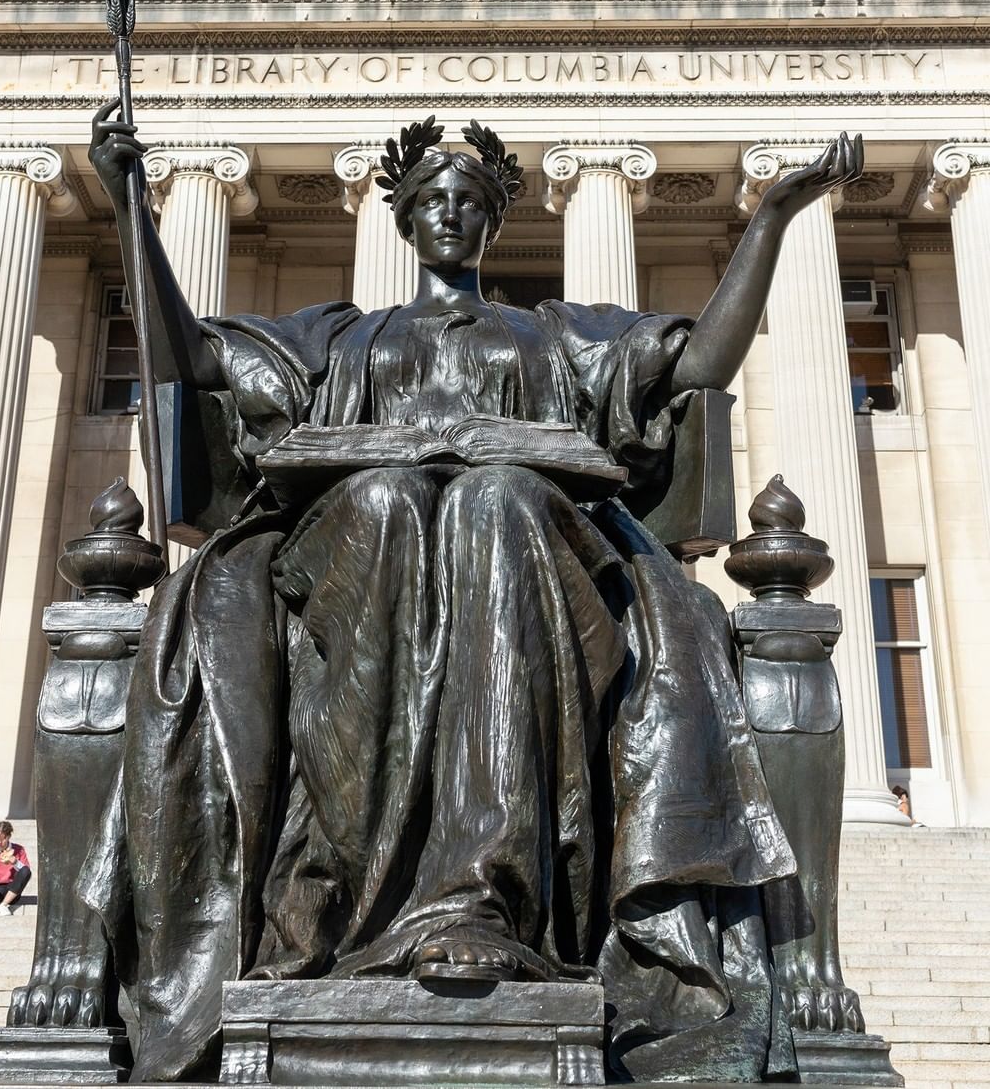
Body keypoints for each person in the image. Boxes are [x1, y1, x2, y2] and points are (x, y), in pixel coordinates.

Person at [80, 104, 862, 1082]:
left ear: (494, 225)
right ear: (405, 220)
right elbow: (194, 360)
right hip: (356, 548)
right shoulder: (337, 340)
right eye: (433, 200)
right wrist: (127, 208)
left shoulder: (553, 336)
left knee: (493, 501)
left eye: (470, 202)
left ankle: (475, 895)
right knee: (388, 498)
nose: (451, 214)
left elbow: (698, 361)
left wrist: (774, 218)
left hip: (531, 552)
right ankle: (330, 901)